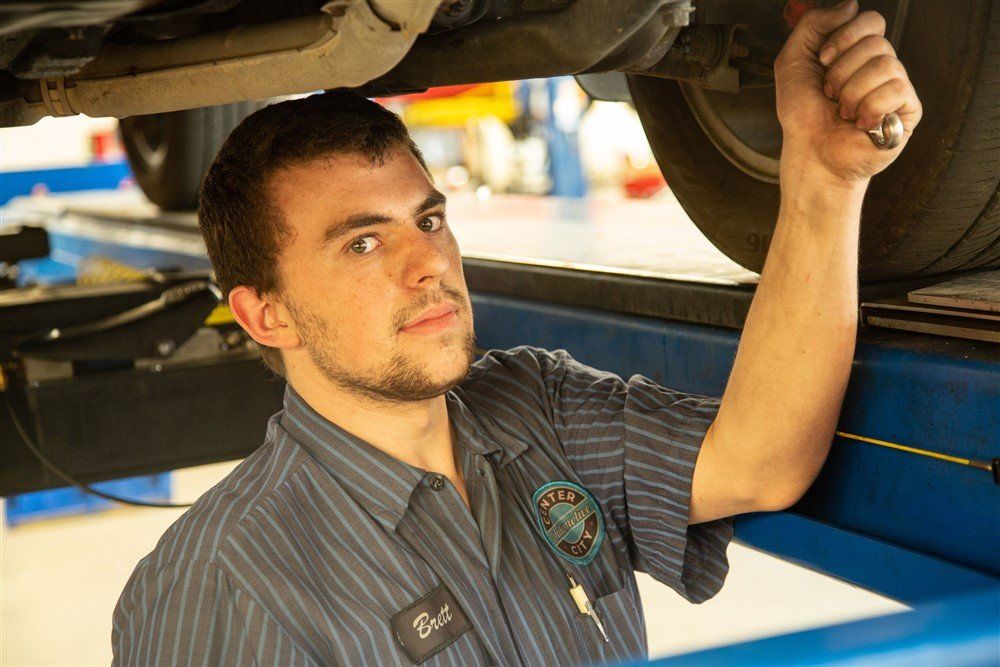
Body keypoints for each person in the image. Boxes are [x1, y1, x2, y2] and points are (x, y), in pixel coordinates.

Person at [112, 1, 921, 664]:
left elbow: (759, 461)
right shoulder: (216, 584)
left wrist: (822, 172)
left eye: (427, 218)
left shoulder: (531, 404)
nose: (427, 262)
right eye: (363, 242)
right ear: (265, 313)